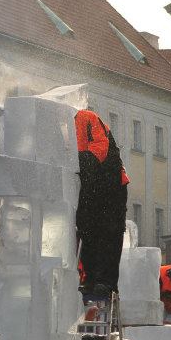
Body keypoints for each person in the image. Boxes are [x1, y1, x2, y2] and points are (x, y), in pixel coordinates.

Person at [75, 109, 129, 298]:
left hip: (111, 184)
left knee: (109, 232)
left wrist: (78, 162)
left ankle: (105, 282)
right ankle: (91, 279)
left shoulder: (85, 117)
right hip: (90, 187)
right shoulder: (62, 127)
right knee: (87, 230)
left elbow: (101, 147)